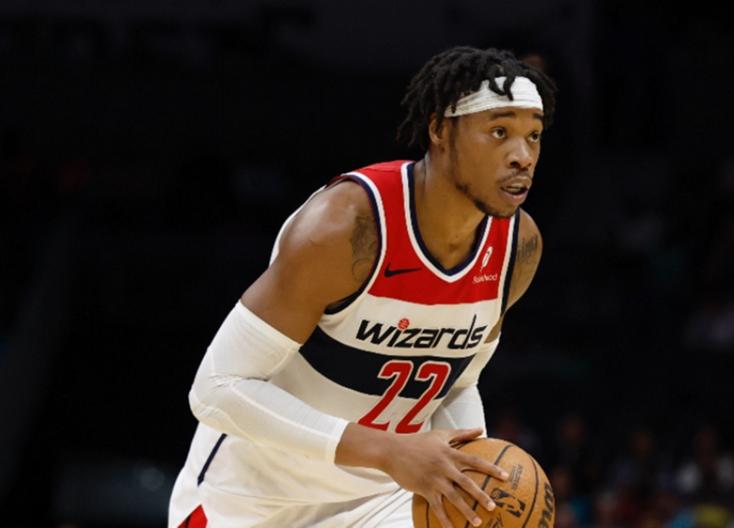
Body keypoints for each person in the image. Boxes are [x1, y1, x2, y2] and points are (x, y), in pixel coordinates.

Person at [168, 46, 557, 528]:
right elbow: (217, 388)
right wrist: (389, 451)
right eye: (499, 132)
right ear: (440, 130)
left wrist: (470, 476)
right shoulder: (347, 227)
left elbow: (457, 385)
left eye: (534, 136)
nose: (523, 157)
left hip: (381, 503)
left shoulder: (518, 248)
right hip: (251, 502)